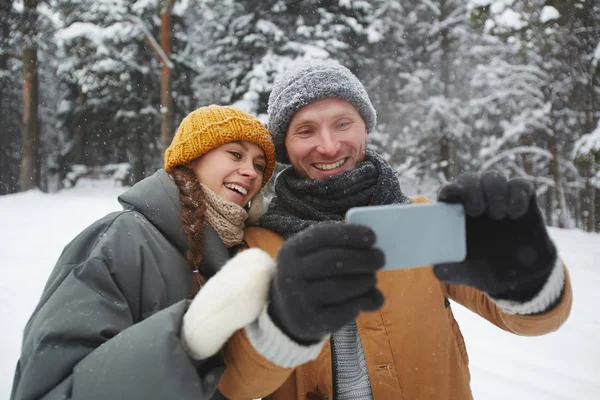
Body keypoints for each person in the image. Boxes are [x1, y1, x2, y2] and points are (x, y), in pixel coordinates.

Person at [213, 59, 573, 400]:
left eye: (343, 123)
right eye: (306, 130)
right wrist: (282, 326)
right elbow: (236, 385)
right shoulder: (256, 247)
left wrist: (528, 275)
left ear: (365, 127)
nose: (328, 145)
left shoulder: (421, 221)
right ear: (286, 148)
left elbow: (532, 321)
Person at [10, 105, 278, 400]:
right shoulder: (121, 239)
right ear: (193, 158)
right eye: (236, 154)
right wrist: (184, 344)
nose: (250, 172)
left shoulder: (235, 255)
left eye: (259, 165)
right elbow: (51, 386)